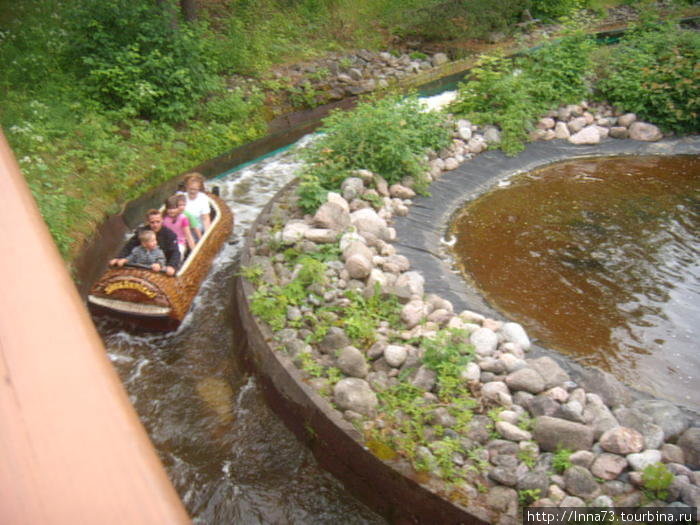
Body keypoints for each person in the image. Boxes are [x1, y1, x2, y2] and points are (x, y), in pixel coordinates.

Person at [110, 209, 180, 276]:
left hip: (160, 267)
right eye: (152, 222)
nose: (155, 225)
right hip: (141, 266)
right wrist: (119, 258)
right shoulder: (142, 232)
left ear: (162, 220)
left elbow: (175, 252)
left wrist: (172, 266)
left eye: (158, 222)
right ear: (148, 222)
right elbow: (129, 246)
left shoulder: (170, 235)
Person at [180, 172, 211, 241]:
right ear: (186, 187)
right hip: (183, 227)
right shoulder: (181, 197)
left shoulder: (203, 198)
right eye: (190, 189)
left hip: (197, 228)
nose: (192, 191)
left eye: (195, 189)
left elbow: (205, 219)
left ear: (199, 188)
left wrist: (207, 236)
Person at [163, 194, 196, 259]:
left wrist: (194, 251)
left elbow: (188, 236)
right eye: (169, 209)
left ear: (178, 208)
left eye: (174, 208)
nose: (171, 211)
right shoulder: (164, 219)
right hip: (167, 242)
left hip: (180, 242)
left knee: (178, 252)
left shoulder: (183, 218)